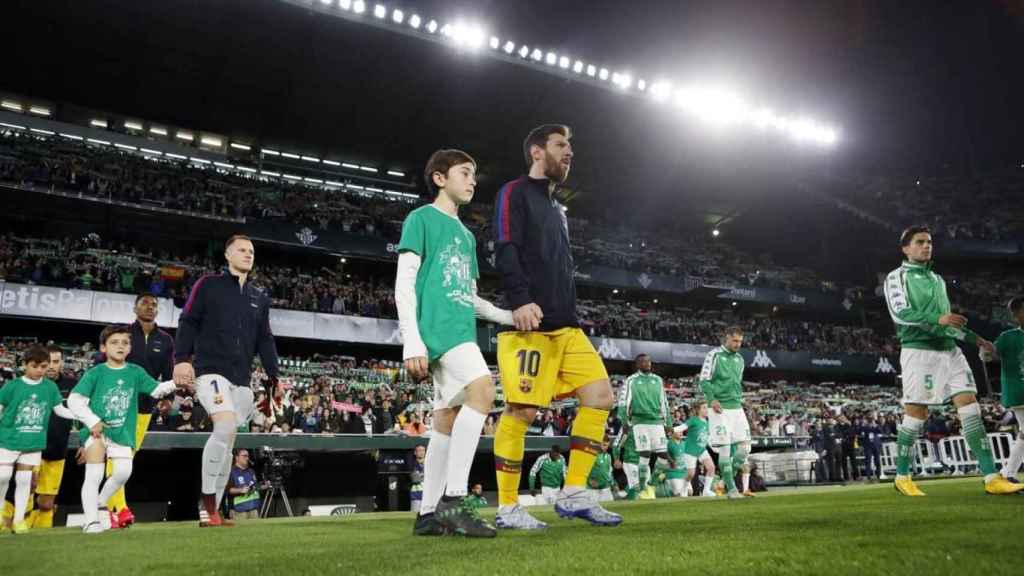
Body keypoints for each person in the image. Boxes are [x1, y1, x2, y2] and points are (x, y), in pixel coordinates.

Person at [492, 124, 621, 529]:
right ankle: (508, 507)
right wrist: (519, 298)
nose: (569, 153)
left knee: (600, 397)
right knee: (521, 411)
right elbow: (504, 247)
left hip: (567, 325)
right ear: (536, 151)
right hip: (531, 323)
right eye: (561, 145)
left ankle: (574, 492)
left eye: (571, 146)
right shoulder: (512, 192)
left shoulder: (557, 207)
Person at [397, 149, 513, 538]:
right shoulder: (421, 219)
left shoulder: (466, 236)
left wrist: (508, 317)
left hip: (461, 327)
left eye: (474, 175)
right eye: (465, 173)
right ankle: (455, 500)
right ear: (440, 178)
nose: (473, 180)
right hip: (440, 332)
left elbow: (470, 297)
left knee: (445, 419)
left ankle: (428, 514)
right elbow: (405, 283)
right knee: (483, 390)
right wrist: (411, 340)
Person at [883, 226, 1021, 495]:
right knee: (916, 414)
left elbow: (948, 323)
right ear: (905, 248)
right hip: (919, 351)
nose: (926, 246)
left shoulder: (937, 280)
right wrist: (938, 319)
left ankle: (992, 477)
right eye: (920, 242)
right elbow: (900, 313)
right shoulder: (896, 277)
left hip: (950, 350)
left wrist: (977, 340)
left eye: (929, 242)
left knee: (970, 405)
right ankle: (902, 475)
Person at [173, 234, 281, 526]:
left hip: (242, 381)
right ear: (228, 255)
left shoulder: (260, 297)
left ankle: (214, 512)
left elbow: (265, 339)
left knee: (228, 439)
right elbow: (188, 320)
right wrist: (181, 358)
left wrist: (275, 375)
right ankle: (207, 504)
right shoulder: (208, 285)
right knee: (225, 424)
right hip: (210, 372)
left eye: (252, 251)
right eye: (242, 250)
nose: (248, 255)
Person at [68, 325, 188, 534]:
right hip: (97, 432)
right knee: (94, 475)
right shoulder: (95, 373)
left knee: (123, 472)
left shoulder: (135, 372)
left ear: (130, 348)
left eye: (124, 342)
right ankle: (92, 521)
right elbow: (74, 400)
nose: (120, 346)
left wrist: (177, 383)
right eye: (114, 342)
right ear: (103, 348)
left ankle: (100, 501)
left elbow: (157, 390)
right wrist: (92, 421)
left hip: (122, 432)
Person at [105, 292, 175, 528]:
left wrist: (169, 397)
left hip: (145, 407)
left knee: (125, 458)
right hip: (118, 405)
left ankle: (111, 508)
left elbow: (168, 369)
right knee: (118, 457)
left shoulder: (165, 340)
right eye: (144, 303)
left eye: (154, 304)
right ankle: (117, 509)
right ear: (134, 308)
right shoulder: (123, 335)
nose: (150, 307)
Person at [0, 345, 73, 535]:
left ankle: (19, 522)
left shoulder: (50, 387)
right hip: (9, 440)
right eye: (35, 366)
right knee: (3, 477)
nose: (40, 370)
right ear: (24, 365)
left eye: (44, 366)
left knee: (25, 481)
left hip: (35, 443)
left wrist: (84, 416)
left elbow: (59, 410)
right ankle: (1, 516)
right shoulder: (12, 386)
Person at [25, 345, 78, 529]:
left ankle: (41, 537)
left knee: (46, 503)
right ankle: (19, 532)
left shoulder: (73, 385)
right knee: (25, 497)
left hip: (56, 452)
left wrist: (85, 443)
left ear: (61, 362)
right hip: (30, 450)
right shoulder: (28, 384)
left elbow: (84, 412)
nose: (51, 366)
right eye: (48, 362)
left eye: (56, 362)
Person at [699, 326, 753, 499]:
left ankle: (723, 480)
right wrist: (711, 399)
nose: (738, 344)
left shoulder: (740, 359)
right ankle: (731, 489)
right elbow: (704, 380)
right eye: (735, 341)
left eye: (740, 342)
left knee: (744, 448)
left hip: (736, 407)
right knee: (725, 449)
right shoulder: (714, 355)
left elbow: (737, 383)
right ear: (726, 338)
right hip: (719, 408)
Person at [980, 296, 1024, 482]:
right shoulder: (1008, 337)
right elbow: (988, 356)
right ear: (1016, 315)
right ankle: (1008, 473)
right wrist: (985, 351)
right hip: (1018, 390)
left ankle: (1007, 473)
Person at [621, 354, 671, 500]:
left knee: (663, 456)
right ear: (638, 364)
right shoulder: (631, 380)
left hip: (657, 422)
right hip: (639, 421)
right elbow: (624, 402)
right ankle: (643, 489)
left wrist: (668, 423)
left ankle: (651, 483)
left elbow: (664, 403)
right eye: (643, 361)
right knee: (645, 454)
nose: (647, 363)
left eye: (648, 361)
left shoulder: (658, 380)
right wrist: (625, 421)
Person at [678, 401, 717, 498]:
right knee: (691, 474)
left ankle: (706, 491)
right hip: (690, 451)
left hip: (701, 450)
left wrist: (714, 449)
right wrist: (671, 430)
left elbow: (707, 438)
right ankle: (684, 488)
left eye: (706, 407)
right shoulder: (694, 420)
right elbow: (682, 427)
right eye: (703, 407)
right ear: (698, 410)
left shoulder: (707, 422)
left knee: (711, 467)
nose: (706, 410)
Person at [227, 449, 260, 520]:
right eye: (244, 456)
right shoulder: (230, 472)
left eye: (248, 456)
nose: (247, 458)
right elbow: (227, 490)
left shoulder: (251, 471)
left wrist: (265, 486)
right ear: (237, 457)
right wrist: (240, 490)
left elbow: (255, 486)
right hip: (238, 510)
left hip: (253, 509)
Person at [409, 444, 425, 514]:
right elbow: (415, 479)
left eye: (423, 450)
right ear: (415, 452)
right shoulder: (412, 464)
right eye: (419, 450)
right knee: (414, 517)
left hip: (428, 495)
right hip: (416, 495)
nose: (421, 452)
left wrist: (421, 475)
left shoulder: (429, 463)